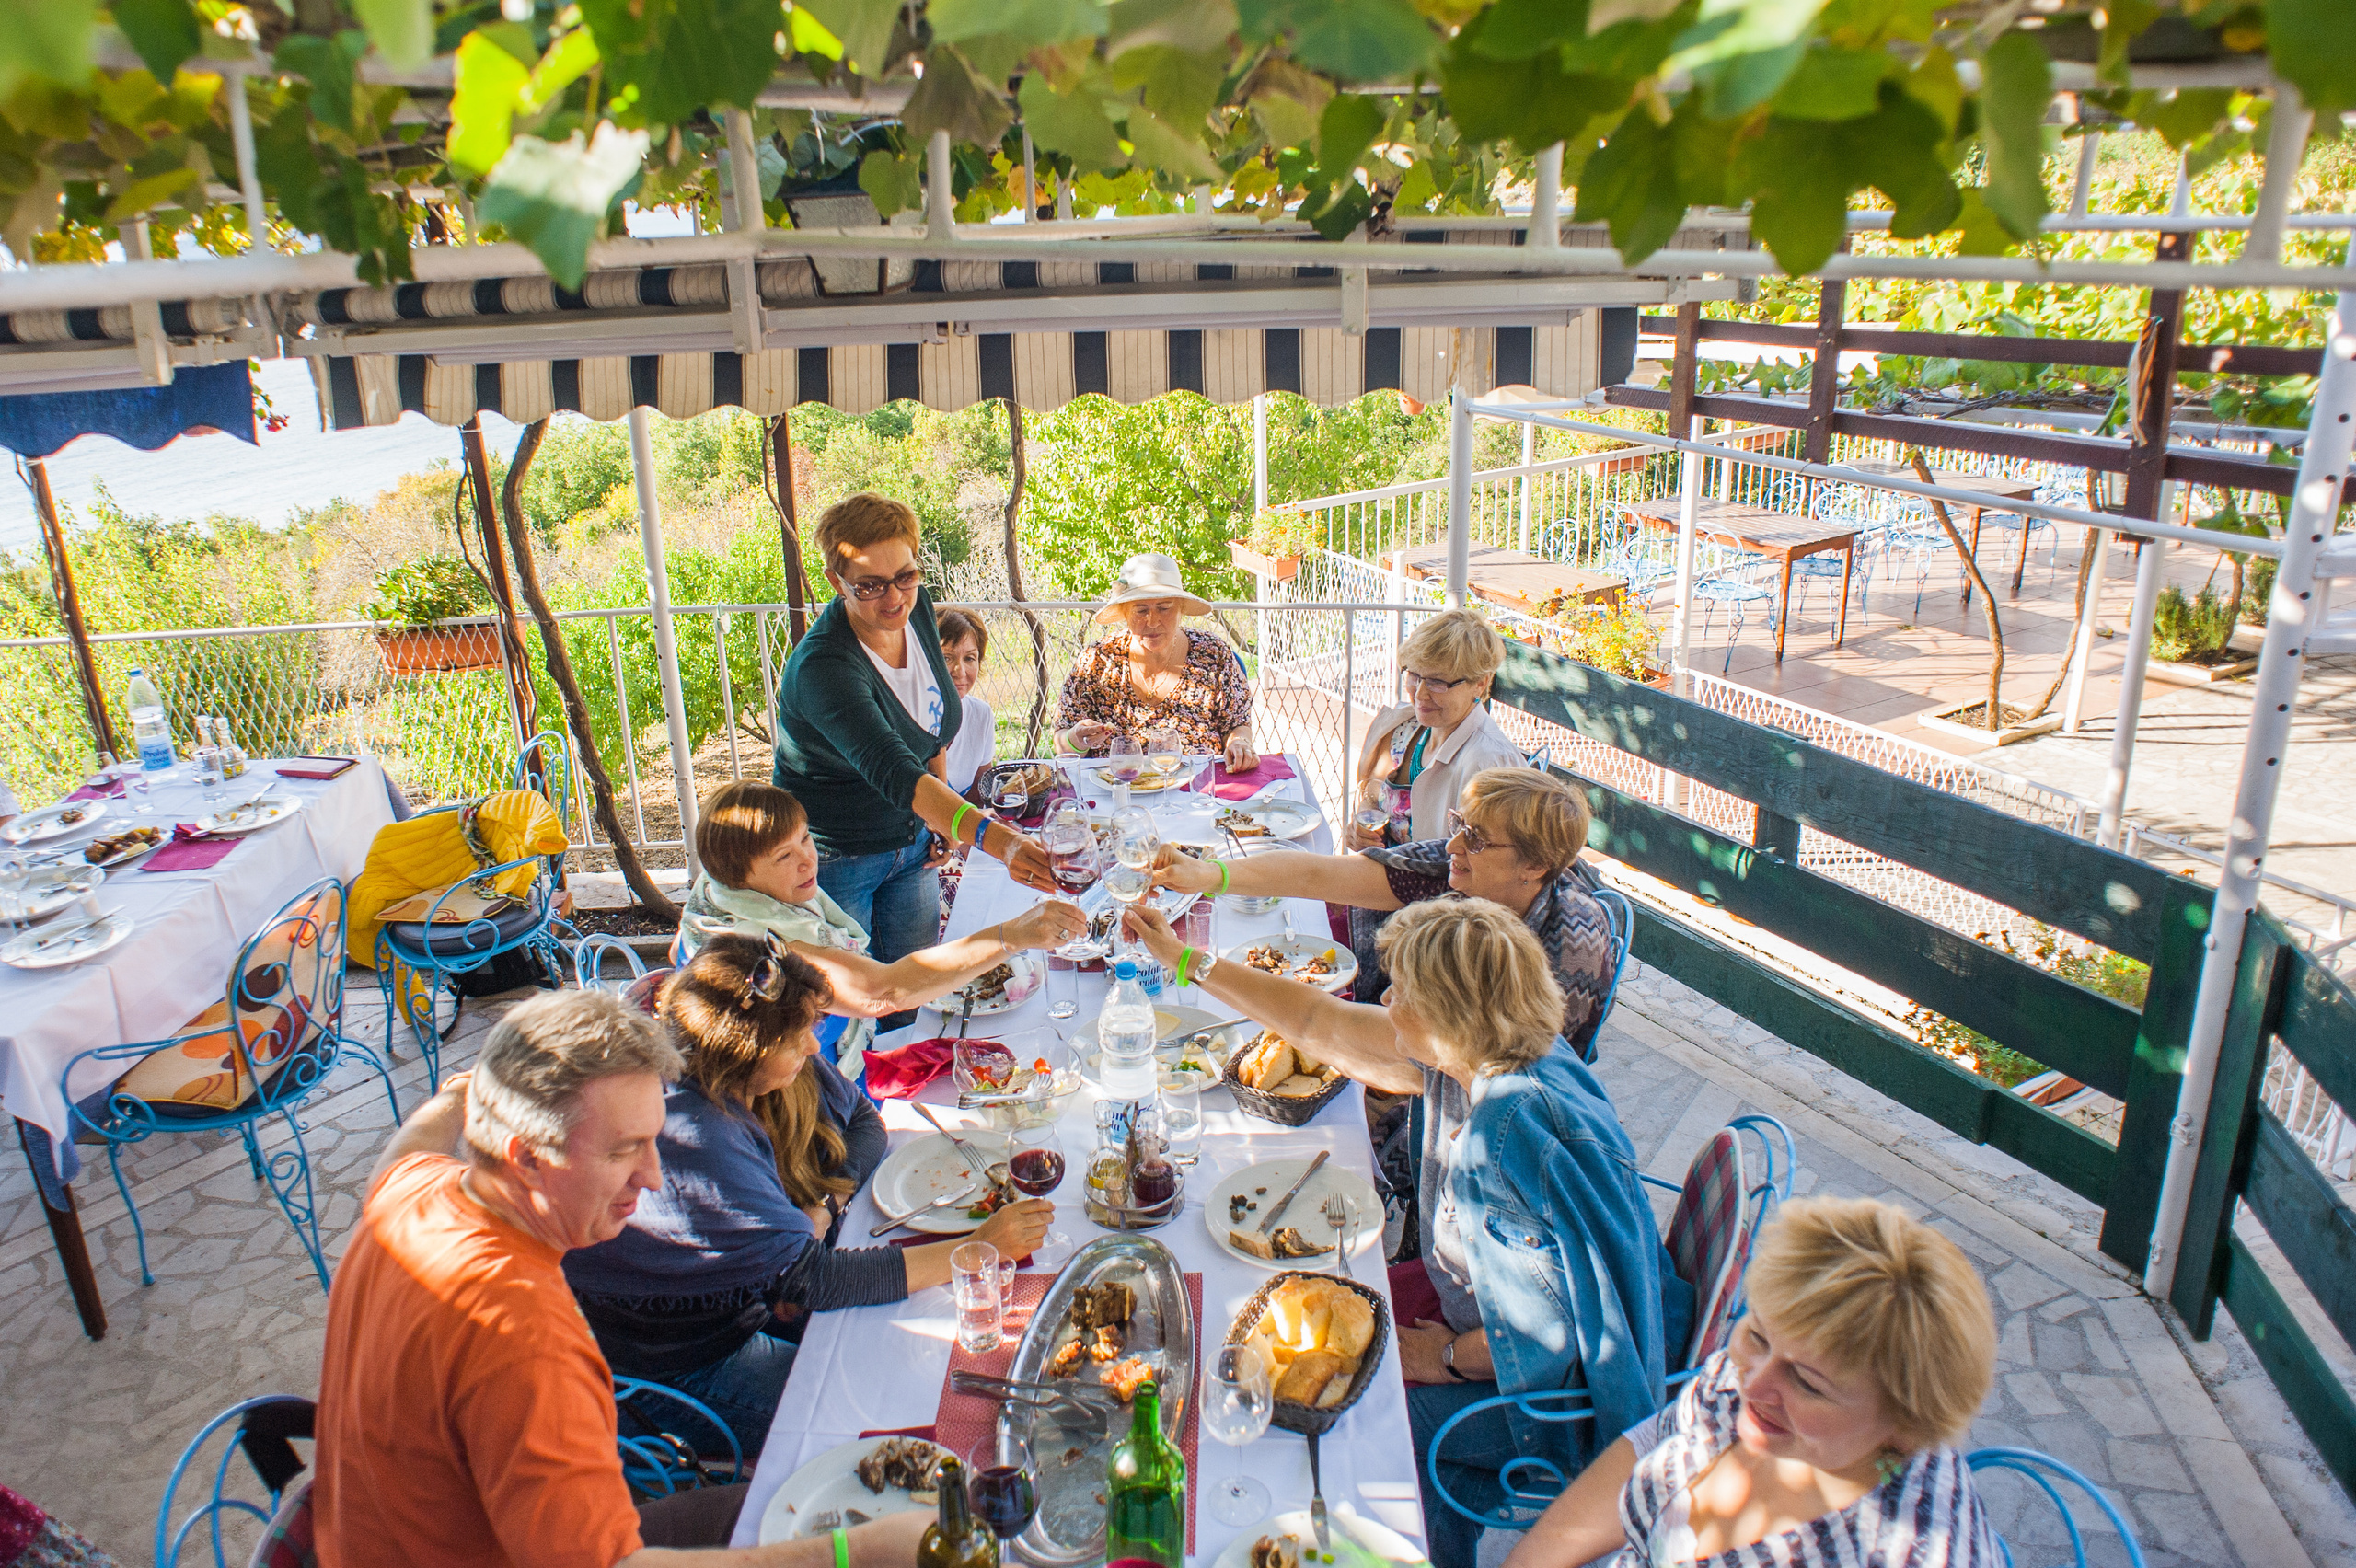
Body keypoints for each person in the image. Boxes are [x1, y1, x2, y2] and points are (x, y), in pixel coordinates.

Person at [1121, 898, 1690, 1568]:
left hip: (1559, 1406)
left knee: (1356, 1428)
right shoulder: (1511, 1052)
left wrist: (1441, 1360)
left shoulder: (1500, 1145)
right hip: (1603, 1312)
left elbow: (1546, 1346)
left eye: (1404, 992)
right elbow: (1317, 1019)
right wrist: (1185, 959)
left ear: (1449, 1016)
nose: (1386, 998)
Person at [312, 987, 931, 1562]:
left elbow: (400, 1155)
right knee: (832, 1503)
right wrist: (855, 1554)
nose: (653, 1178)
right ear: (525, 1156)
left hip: (373, 1537)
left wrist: (454, 1100)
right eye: (620, 1151)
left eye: (652, 1140)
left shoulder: (414, 1191)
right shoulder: (524, 1340)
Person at [565, 937, 1054, 1460]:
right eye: (800, 1037)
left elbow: (866, 1122)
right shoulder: (700, 1142)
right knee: (865, 1417)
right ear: (748, 1049)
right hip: (681, 1362)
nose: (814, 1048)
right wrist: (979, 1249)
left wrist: (825, 1204)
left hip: (756, 1298)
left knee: (900, 1360)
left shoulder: (754, 1066)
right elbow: (819, 1281)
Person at [1500, 1197, 2003, 1568]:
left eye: (1808, 1383)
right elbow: (1662, 1436)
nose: (1753, 1386)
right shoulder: (1756, 1378)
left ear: (1906, 1427)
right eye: (1757, 1335)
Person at [771, 493, 1055, 1019]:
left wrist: (944, 819)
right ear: (836, 583)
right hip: (839, 859)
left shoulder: (918, 609)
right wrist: (1001, 842)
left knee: (914, 1002)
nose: (894, 599)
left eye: (905, 576)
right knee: (850, 1013)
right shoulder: (825, 668)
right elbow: (897, 771)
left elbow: (930, 734)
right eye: (869, 586)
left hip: (913, 846)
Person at [1149, 767, 1615, 1057]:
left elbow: (1385, 1049)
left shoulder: (1567, 951)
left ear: (1535, 866)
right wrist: (1207, 875)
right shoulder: (1459, 867)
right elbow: (1318, 876)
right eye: (1460, 825)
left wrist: (1189, 963)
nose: (1453, 845)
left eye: (1474, 839)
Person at [676, 781, 1085, 1081]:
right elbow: (881, 993)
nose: (807, 862)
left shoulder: (718, 899)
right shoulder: (755, 943)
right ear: (736, 875)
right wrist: (1011, 935)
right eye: (785, 856)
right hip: (811, 1096)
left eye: (806, 840)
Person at [1056, 552, 1258, 769]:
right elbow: (1063, 741)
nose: (1152, 622)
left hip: (1197, 789)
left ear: (1181, 608)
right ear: (1125, 613)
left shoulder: (1213, 655)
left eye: (1164, 608)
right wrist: (1076, 739)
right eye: (1141, 610)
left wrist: (1239, 743)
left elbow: (1237, 724)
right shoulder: (1098, 660)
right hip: (1118, 790)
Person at [1350, 608, 1528, 849]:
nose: (1420, 694)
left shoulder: (1490, 764)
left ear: (1480, 683)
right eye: (1414, 675)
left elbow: (1490, 868)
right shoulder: (1407, 729)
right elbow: (1372, 790)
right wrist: (1363, 826)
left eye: (1438, 682)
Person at [935, 605, 998, 797]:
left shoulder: (981, 714)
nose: (959, 671)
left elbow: (980, 792)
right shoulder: (908, 717)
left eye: (969, 658)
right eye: (947, 657)